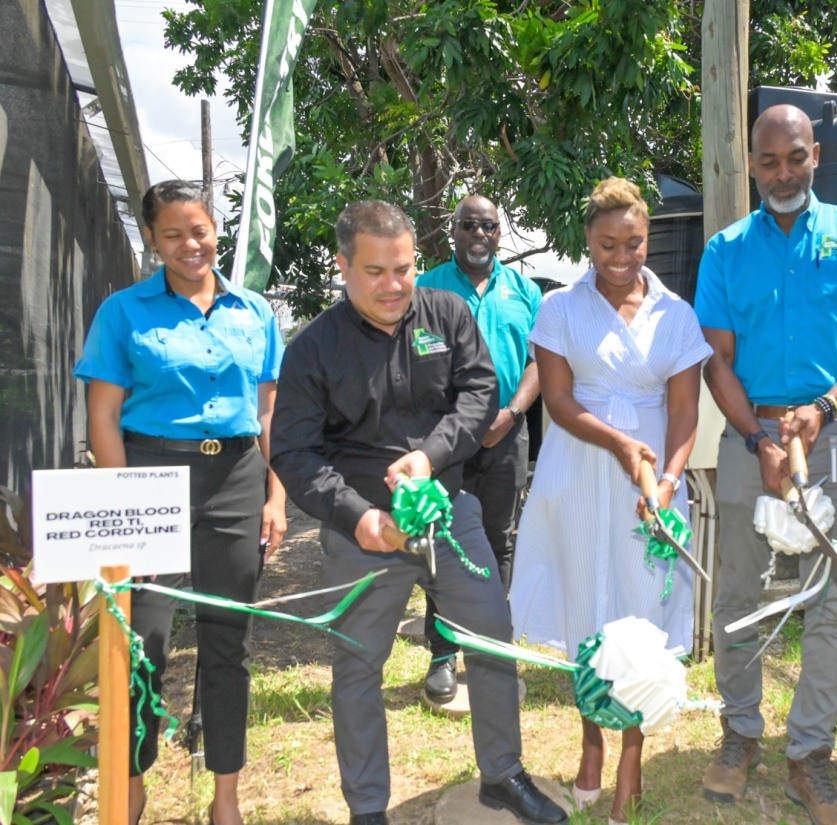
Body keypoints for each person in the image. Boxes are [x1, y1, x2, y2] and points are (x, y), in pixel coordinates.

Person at [269, 201, 567, 825]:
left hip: (450, 514)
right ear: (343, 265)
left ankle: (504, 776)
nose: (393, 285)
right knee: (357, 665)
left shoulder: (447, 312)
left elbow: (479, 391)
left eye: (402, 268)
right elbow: (294, 453)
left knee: (492, 640)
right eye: (375, 271)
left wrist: (431, 457)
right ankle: (368, 810)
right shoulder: (313, 349)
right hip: (364, 532)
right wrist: (357, 518)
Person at [695, 104, 837, 825]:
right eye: (769, 162)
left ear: (816, 154)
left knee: (832, 598)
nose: (782, 173)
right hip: (747, 436)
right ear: (751, 164)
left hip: (836, 437)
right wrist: (758, 436)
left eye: (795, 158)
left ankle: (809, 754)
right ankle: (741, 734)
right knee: (739, 598)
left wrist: (822, 408)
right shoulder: (724, 248)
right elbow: (716, 359)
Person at [74, 180, 287, 825]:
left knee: (230, 641)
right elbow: (103, 418)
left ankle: (226, 796)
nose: (190, 245)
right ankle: (130, 786)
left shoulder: (255, 312)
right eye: (173, 234)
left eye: (199, 231)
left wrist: (275, 494)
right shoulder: (123, 312)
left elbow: (269, 412)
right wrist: (125, 506)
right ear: (152, 240)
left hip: (238, 480)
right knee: (143, 639)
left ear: (215, 230)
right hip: (150, 475)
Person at [509, 177, 711, 823]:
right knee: (586, 608)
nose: (622, 257)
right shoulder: (561, 308)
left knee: (640, 614)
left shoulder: (676, 313)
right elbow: (561, 402)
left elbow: (684, 411)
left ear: (647, 237)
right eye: (607, 245)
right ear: (587, 242)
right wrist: (622, 446)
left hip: (652, 481)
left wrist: (669, 480)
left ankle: (631, 754)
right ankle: (591, 743)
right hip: (581, 465)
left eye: (634, 243)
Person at [417, 194, 542, 704]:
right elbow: (415, 361)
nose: (480, 235)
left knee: (498, 540)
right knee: (441, 540)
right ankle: (443, 653)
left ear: (499, 232)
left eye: (489, 226)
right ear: (454, 231)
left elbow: (540, 363)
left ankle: (491, 649)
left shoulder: (525, 291)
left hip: (508, 432)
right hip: (447, 436)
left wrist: (511, 412)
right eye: (469, 225)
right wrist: (457, 421)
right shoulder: (426, 288)